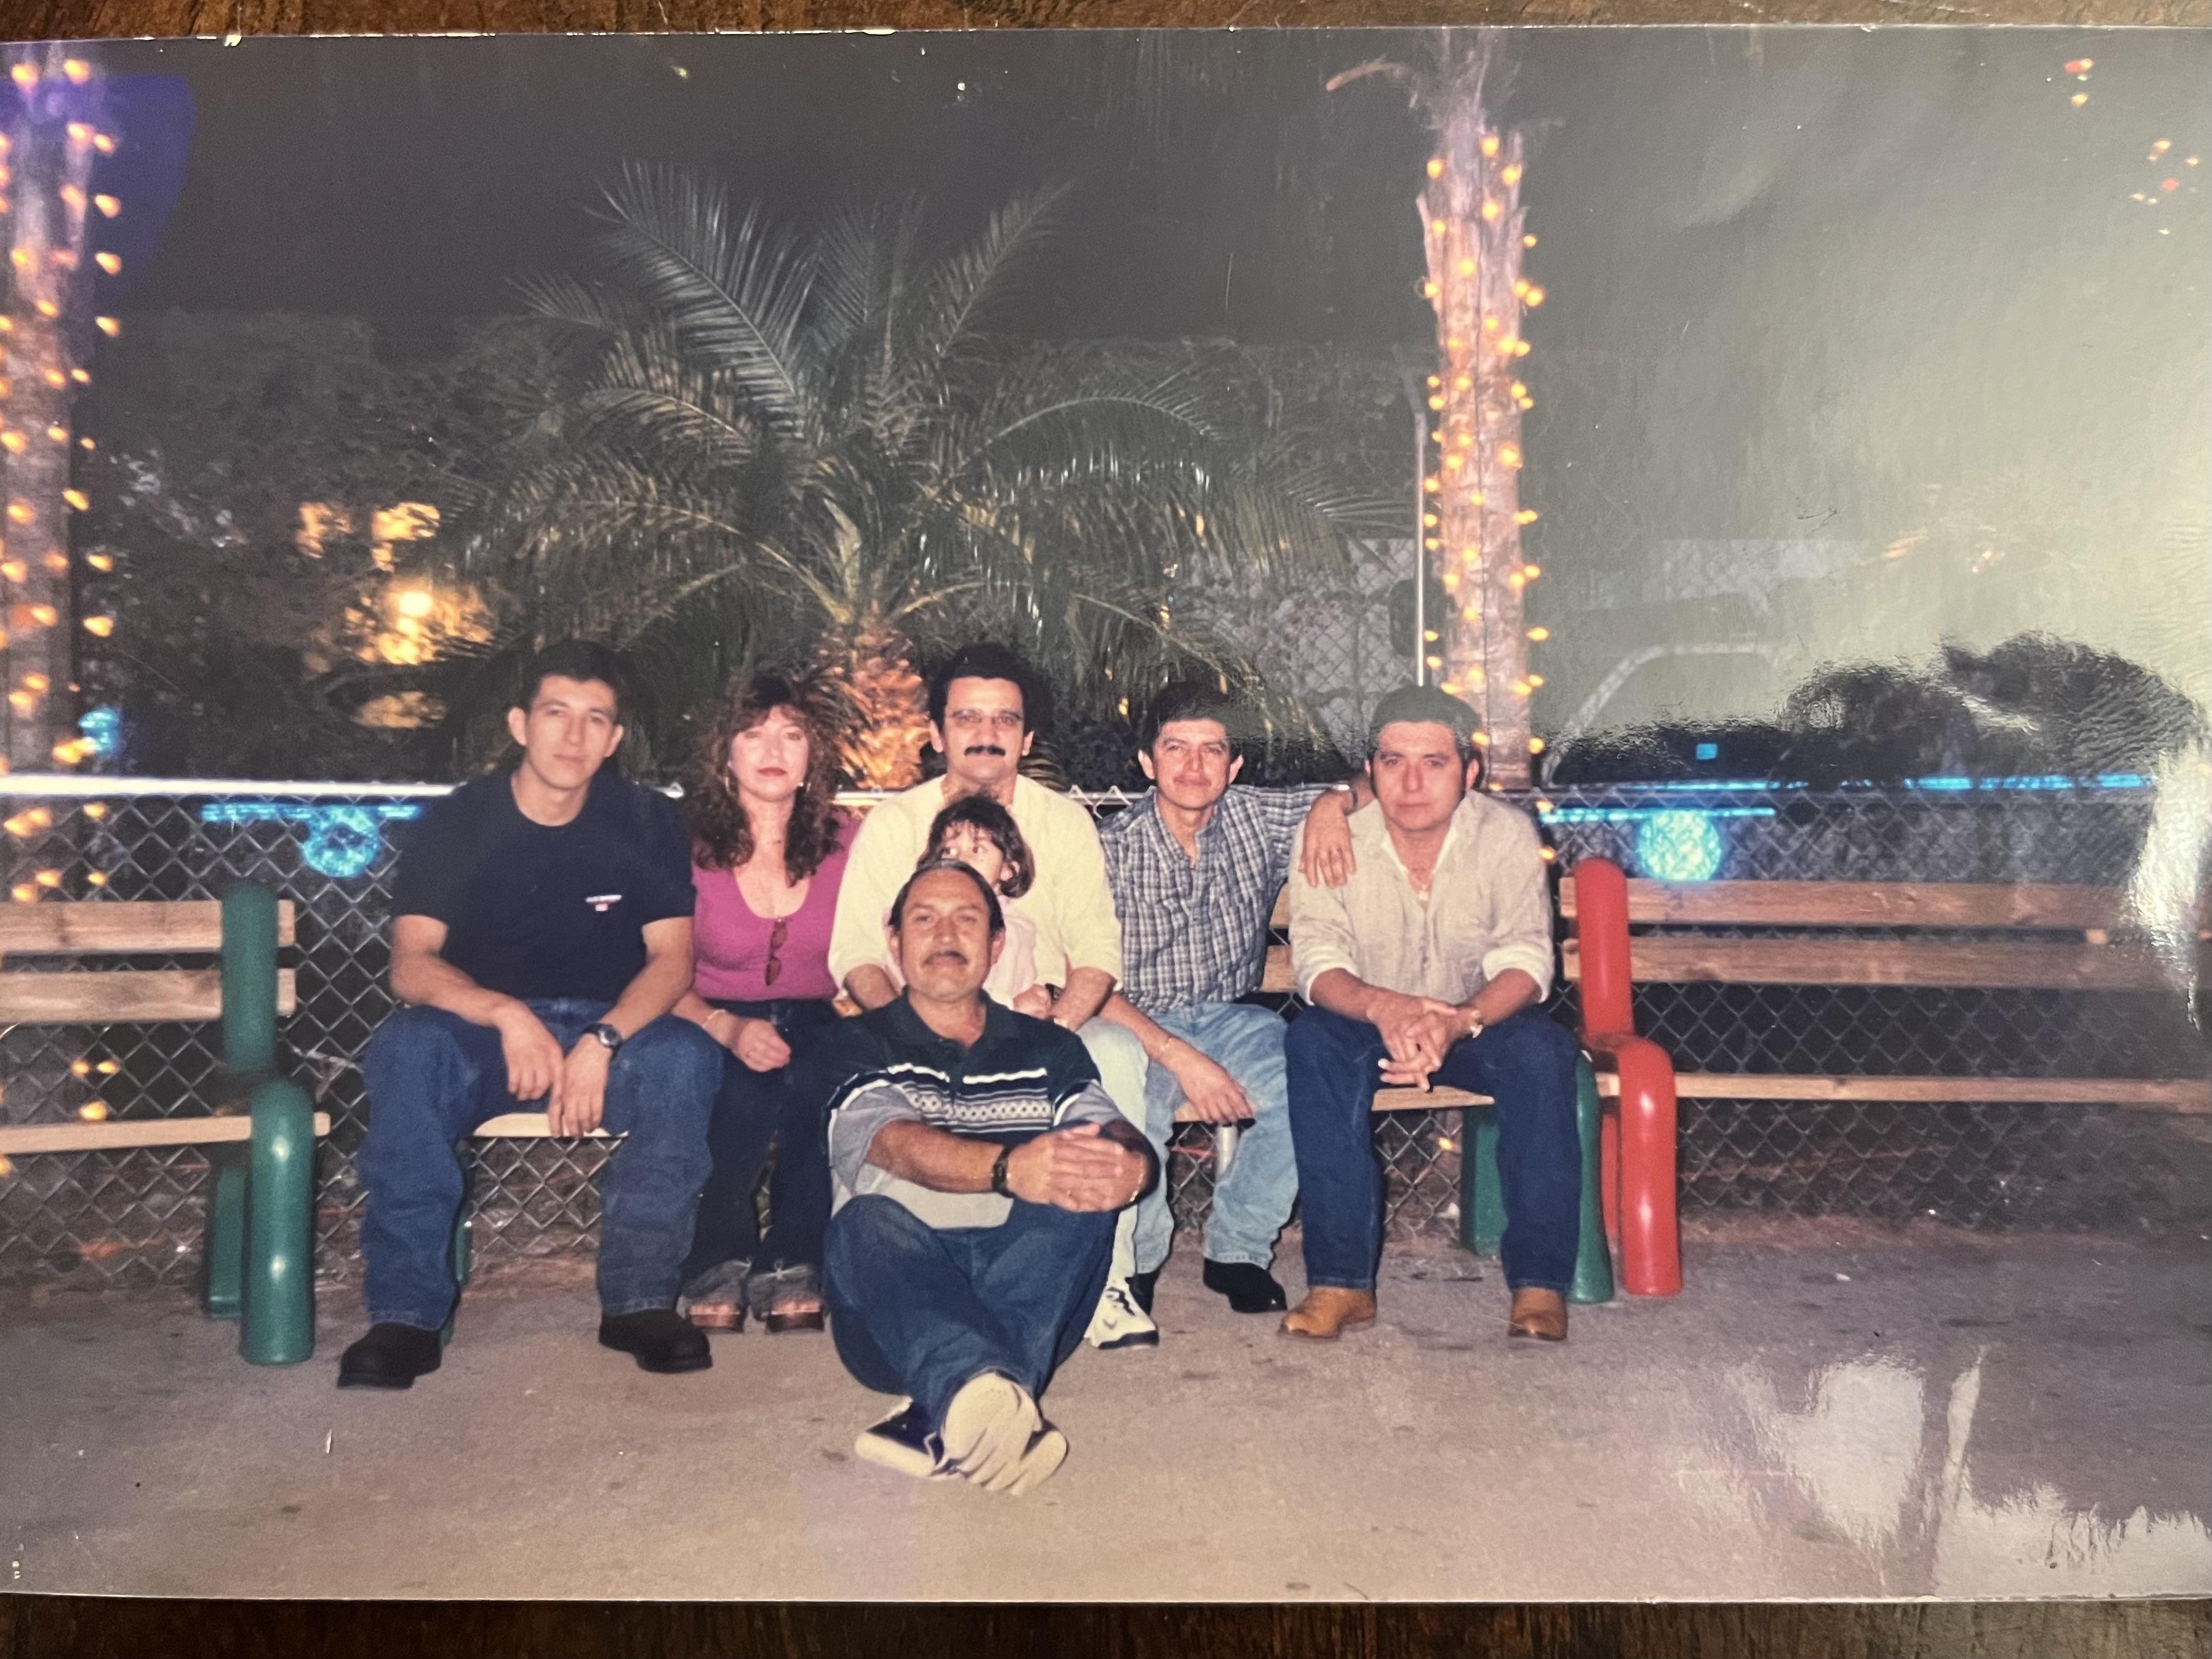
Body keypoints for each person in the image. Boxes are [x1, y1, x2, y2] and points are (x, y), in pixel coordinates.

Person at [340, 642, 723, 1389]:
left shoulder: (644, 819)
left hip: (607, 1029)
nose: (573, 736)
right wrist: (506, 1012)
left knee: (685, 1058)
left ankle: (641, 1299)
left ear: (614, 739)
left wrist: (604, 1038)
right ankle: (405, 1315)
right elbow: (412, 964)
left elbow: (671, 960)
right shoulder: (458, 820)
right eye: (556, 713)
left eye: (595, 719)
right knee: (407, 1051)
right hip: (485, 1035)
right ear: (520, 724)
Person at [828, 643, 1158, 1351]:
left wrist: (1052, 1033)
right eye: (967, 717)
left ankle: (1108, 1278)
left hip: (1042, 1021)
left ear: (1027, 738)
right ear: (937, 733)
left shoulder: (1062, 823)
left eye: (1004, 719)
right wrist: (910, 1032)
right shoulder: (895, 824)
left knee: (1116, 1055)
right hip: (918, 1022)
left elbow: (1097, 953)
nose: (986, 733)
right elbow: (855, 951)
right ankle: (919, 1270)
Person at [823, 861, 1157, 1495]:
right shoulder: (855, 1041)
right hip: (895, 1303)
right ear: (894, 941)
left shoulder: (1048, 1045)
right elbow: (893, 1144)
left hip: (1026, 1280)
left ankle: (949, 1409)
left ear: (997, 944)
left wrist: (1132, 1165)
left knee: (1083, 1183)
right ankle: (988, 1392)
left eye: (967, 919)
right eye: (924, 919)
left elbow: (1107, 1126)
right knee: (864, 1221)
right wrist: (1007, 1170)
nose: (945, 934)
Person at [1282, 684, 1582, 1344]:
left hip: (1475, 1020)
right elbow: (1318, 960)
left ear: (1469, 771)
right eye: (1393, 761)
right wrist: (1381, 1006)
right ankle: (1340, 1282)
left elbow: (1527, 959)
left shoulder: (1504, 833)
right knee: (1312, 1044)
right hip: (1367, 1017)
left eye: (1434, 762)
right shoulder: (1330, 835)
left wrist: (1458, 1020)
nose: (1412, 782)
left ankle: (1538, 1282)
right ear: (1370, 769)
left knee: (1543, 1053)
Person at [1095, 680, 1364, 1317]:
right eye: (1175, 748)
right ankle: (1139, 1260)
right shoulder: (1109, 848)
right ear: (1146, 762)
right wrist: (1183, 1058)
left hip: (1235, 1015)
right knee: (1135, 1108)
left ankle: (1237, 1251)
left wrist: (1333, 802)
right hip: (1137, 1021)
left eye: (1211, 749)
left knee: (1307, 1088)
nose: (1193, 766)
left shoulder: (1257, 817)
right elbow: (1086, 979)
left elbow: (1377, 781)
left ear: (1234, 764)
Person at [668, 669, 855, 1336]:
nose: (773, 749)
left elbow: (879, 940)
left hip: (818, 1010)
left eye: (792, 735)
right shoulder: (684, 843)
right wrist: (722, 1025)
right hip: (702, 1010)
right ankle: (717, 1256)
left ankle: (794, 1258)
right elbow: (652, 967)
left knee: (821, 1076)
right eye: (753, 733)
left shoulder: (847, 840)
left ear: (813, 756)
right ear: (725, 752)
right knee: (737, 1090)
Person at [895, 796, 1050, 1017]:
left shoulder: (1014, 932)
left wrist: (1017, 1006)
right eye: (949, 851)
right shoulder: (915, 920)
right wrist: (1012, 1006)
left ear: (1008, 869)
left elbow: (1019, 998)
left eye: (977, 850)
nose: (960, 860)